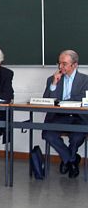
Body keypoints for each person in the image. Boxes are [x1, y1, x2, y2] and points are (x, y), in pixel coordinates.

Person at [42, 50, 88, 178]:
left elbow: (80, 99)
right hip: (59, 116)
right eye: (59, 63)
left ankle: (67, 159)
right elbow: (47, 100)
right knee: (48, 134)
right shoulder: (52, 79)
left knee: (77, 137)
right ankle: (71, 160)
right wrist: (54, 84)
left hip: (78, 117)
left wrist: (61, 102)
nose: (60, 67)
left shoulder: (85, 80)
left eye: (64, 64)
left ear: (75, 65)